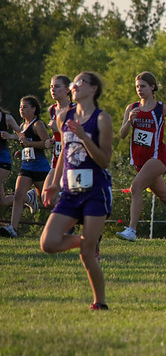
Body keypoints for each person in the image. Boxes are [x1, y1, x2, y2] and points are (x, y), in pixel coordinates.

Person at [39, 72, 113, 310]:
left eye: (80, 82)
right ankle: (87, 241)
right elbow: (64, 154)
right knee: (48, 243)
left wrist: (84, 137)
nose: (75, 86)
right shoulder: (63, 116)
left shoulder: (102, 119)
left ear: (93, 89)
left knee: (86, 255)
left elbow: (104, 160)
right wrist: (54, 181)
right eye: (74, 83)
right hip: (71, 192)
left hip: (95, 190)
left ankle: (100, 303)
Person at [116, 72, 166, 242]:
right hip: (140, 159)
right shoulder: (131, 108)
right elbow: (122, 135)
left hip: (157, 157)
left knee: (136, 187)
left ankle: (132, 230)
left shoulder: (162, 108)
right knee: (164, 196)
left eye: (143, 86)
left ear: (152, 87)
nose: (140, 90)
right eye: (137, 86)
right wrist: (129, 121)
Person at [0, 96, 50, 238]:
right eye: (21, 107)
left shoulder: (37, 124)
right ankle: (13, 229)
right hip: (26, 166)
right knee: (19, 195)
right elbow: (25, 143)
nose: (22, 110)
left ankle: (66, 222)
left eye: (25, 107)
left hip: (40, 168)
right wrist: (21, 151)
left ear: (34, 109)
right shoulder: (22, 126)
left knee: (47, 201)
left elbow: (46, 143)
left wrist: (29, 143)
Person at [43, 75, 76, 208]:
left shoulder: (75, 109)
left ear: (67, 89)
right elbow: (57, 136)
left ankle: (67, 224)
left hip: (73, 159)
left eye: (57, 86)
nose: (53, 90)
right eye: (51, 87)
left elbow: (77, 136)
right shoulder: (52, 109)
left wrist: (59, 128)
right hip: (57, 159)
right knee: (46, 198)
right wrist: (51, 140)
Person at [0, 107, 21, 210]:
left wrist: (10, 136)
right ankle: (27, 197)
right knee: (2, 202)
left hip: (3, 160)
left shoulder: (7, 118)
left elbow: (23, 135)